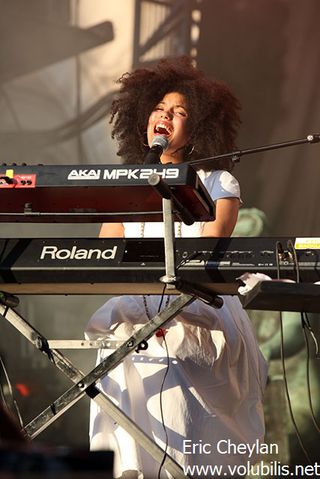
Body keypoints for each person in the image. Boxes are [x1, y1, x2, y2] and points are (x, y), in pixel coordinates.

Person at [85, 57, 268, 479]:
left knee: (190, 436)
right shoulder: (127, 181)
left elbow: (209, 244)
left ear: (197, 130)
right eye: (159, 109)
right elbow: (105, 250)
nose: (165, 115)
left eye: (179, 112)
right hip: (135, 314)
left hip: (195, 308)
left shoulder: (219, 182)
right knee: (130, 431)